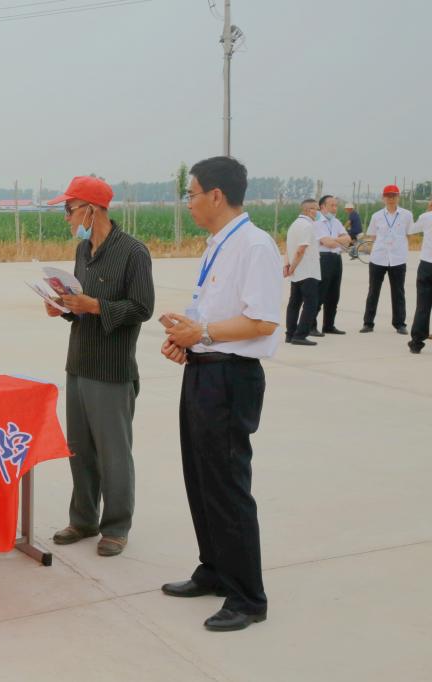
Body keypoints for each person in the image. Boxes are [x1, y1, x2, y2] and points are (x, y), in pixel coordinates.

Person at [159, 156, 281, 632]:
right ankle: (214, 568)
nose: (188, 203)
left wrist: (204, 332)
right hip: (205, 371)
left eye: (191, 194)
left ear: (216, 195)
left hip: (232, 379)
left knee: (227, 483)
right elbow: (212, 316)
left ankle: (247, 597)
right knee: (201, 476)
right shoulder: (218, 244)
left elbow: (263, 320)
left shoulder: (254, 245)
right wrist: (188, 338)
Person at [43, 176, 154, 558]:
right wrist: (63, 307)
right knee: (79, 449)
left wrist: (95, 306)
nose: (67, 217)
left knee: (113, 452)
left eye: (69, 209)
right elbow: (79, 302)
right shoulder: (82, 249)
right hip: (79, 362)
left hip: (111, 369)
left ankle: (116, 527)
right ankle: (84, 519)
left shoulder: (133, 252)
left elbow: (142, 308)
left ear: (91, 210)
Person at [361, 185, 413, 334]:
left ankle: (400, 324)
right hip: (378, 258)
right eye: (388, 196)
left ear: (398, 197)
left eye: (394, 196)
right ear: (383, 198)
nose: (391, 199)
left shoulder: (407, 215)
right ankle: (368, 323)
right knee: (373, 291)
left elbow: (409, 234)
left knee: (398, 292)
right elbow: (372, 236)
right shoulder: (376, 216)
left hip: (398, 259)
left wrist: (402, 249)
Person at [283, 199, 321, 346]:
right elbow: (300, 250)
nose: (317, 212)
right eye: (315, 209)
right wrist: (292, 267)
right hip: (307, 271)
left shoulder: (294, 225)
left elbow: (288, 248)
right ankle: (300, 335)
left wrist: (287, 265)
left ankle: (290, 334)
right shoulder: (307, 226)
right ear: (307, 210)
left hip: (297, 272)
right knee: (311, 304)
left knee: (294, 303)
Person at [312, 195, 351, 335]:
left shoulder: (336, 222)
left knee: (334, 294)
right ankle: (310, 325)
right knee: (320, 293)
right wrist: (338, 240)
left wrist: (334, 240)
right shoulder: (317, 223)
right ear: (322, 207)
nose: (335, 208)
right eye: (332, 205)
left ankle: (329, 325)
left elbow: (348, 239)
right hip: (323, 259)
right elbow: (327, 243)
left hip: (336, 258)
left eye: (336, 206)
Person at [407, 199, 432, 354]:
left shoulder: (426, 217)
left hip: (427, 265)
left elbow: (411, 229)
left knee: (423, 305)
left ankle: (416, 342)